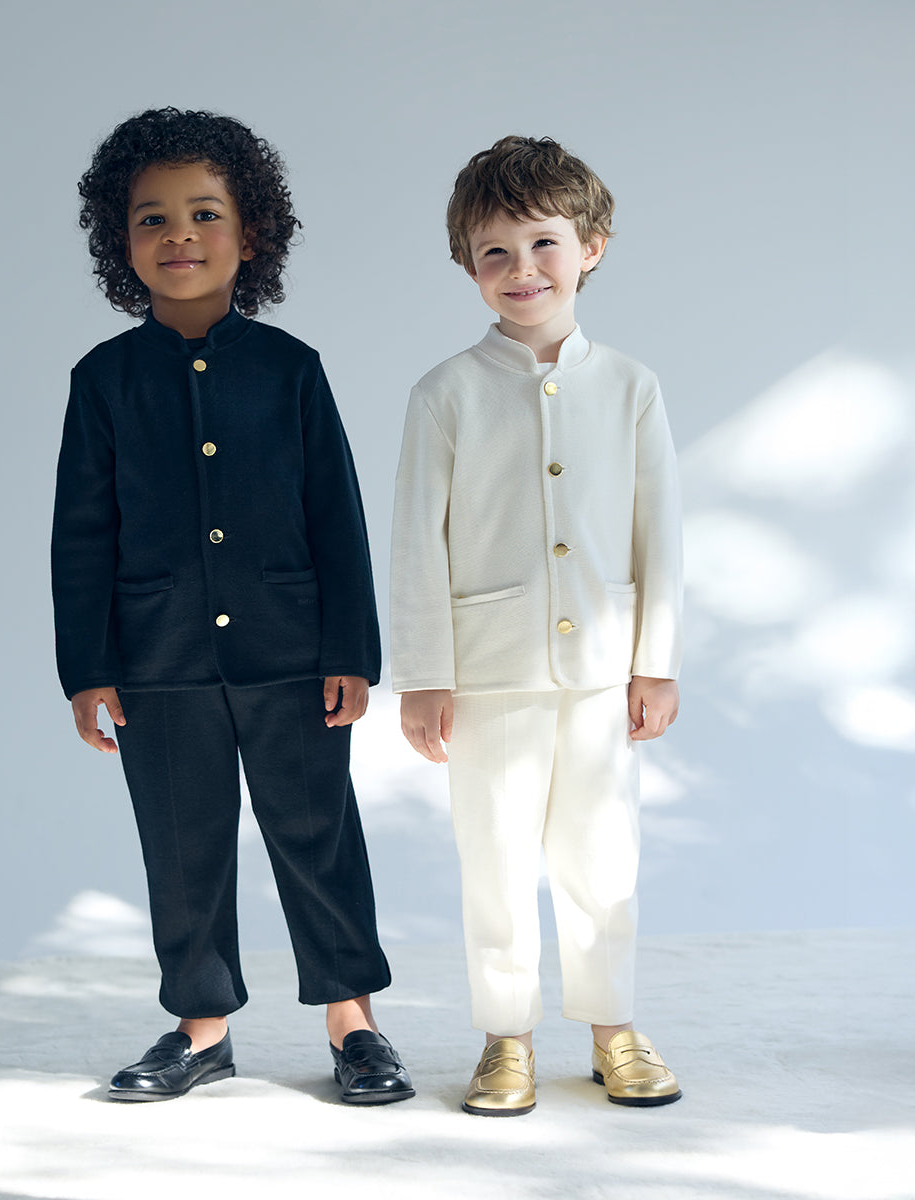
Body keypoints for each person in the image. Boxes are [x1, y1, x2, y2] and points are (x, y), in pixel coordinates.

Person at [53, 107, 412, 1105]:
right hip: (156, 659)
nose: (180, 236)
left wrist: (352, 649)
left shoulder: (292, 369)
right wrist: (87, 668)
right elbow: (80, 534)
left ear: (251, 234)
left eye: (204, 214)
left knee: (317, 833)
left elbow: (336, 515)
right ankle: (201, 1028)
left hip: (293, 652)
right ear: (121, 242)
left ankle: (354, 1023)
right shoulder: (103, 381)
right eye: (153, 219)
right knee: (182, 844)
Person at [391, 135, 682, 1115]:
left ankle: (612, 1028)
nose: (523, 269)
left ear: (591, 246)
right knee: (497, 863)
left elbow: (659, 533)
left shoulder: (631, 387)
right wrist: (424, 674)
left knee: (603, 861)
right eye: (495, 253)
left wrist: (656, 662)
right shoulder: (445, 394)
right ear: (468, 265)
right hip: (488, 677)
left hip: (601, 672)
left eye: (544, 243)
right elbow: (417, 541)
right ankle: (504, 1037)